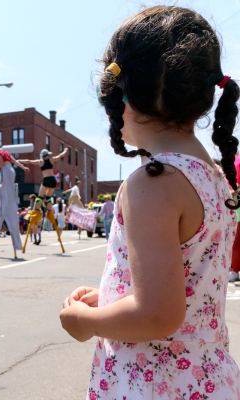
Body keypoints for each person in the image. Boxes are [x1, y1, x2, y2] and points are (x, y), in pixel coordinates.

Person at [59, 6, 240, 398]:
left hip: (155, 384)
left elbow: (157, 314)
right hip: (207, 379)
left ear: (121, 95)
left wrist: (85, 320)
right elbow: (184, 286)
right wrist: (110, 301)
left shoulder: (154, 182)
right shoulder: (215, 178)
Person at [0, 144, 29, 255]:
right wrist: (23, 168)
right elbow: (15, 161)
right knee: (6, 192)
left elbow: (1, 164)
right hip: (11, 171)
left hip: (6, 171)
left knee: (6, 194)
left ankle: (7, 204)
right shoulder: (7, 153)